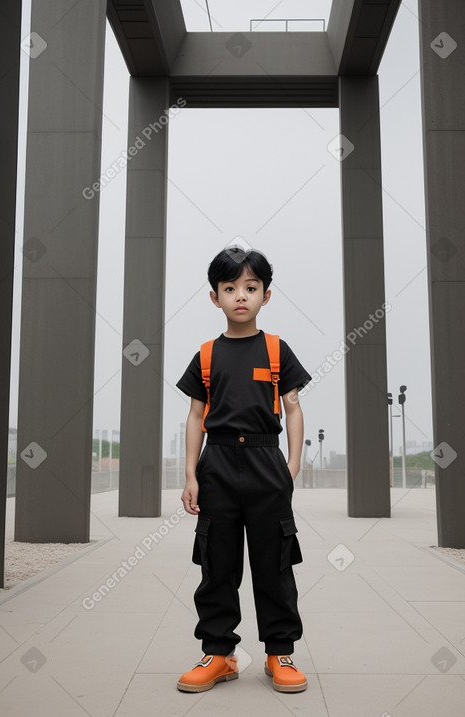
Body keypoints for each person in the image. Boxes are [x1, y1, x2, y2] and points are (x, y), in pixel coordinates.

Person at [176, 247, 311, 694]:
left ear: (265, 296)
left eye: (250, 288)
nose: (240, 296)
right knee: (217, 563)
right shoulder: (206, 355)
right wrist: (192, 474)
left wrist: (291, 465)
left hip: (265, 461)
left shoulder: (277, 349)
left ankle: (280, 654)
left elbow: (292, 407)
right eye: (230, 288)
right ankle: (219, 654)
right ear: (215, 297)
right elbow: (196, 417)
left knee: (274, 564)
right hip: (216, 464)